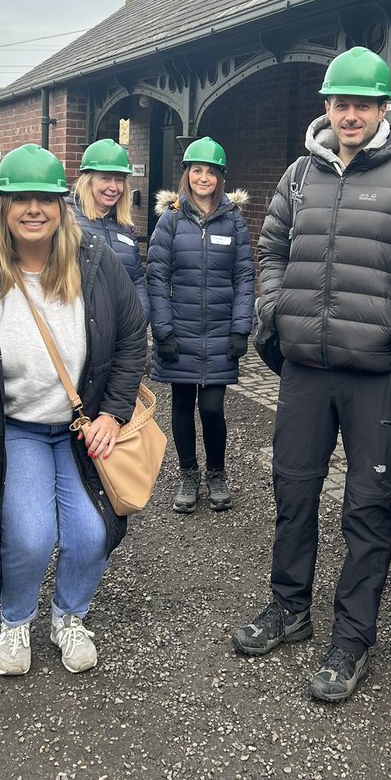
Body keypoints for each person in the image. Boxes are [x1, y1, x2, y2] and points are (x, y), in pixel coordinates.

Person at [233, 47, 391, 701]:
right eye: (340, 102)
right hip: (304, 369)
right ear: (326, 108)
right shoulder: (298, 176)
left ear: (383, 108)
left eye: (362, 103)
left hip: (373, 376)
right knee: (294, 493)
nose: (349, 114)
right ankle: (290, 607)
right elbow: (271, 249)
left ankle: (352, 637)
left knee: (367, 508)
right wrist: (275, 307)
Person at [0, 144, 146, 678]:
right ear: (2, 206)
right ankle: (15, 619)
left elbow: (133, 339)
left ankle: (69, 616)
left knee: (92, 532)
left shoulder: (95, 260)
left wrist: (113, 414)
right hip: (19, 428)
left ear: (61, 205)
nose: (33, 210)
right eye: (19, 199)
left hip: (79, 426)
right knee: (29, 532)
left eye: (44, 199)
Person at [147, 136, 255, 513]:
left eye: (211, 171)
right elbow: (156, 278)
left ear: (220, 177)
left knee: (212, 407)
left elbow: (245, 277)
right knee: (181, 404)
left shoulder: (235, 222)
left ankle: (217, 473)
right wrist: (162, 331)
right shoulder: (170, 221)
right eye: (197, 170)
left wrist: (241, 328)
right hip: (180, 331)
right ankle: (188, 475)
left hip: (221, 332)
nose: (204, 178)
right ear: (187, 174)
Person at [70, 139, 150, 318]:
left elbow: (136, 279)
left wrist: (141, 316)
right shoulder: (68, 220)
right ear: (88, 180)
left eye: (119, 180)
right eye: (105, 178)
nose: (113, 187)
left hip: (123, 334)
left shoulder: (126, 227)